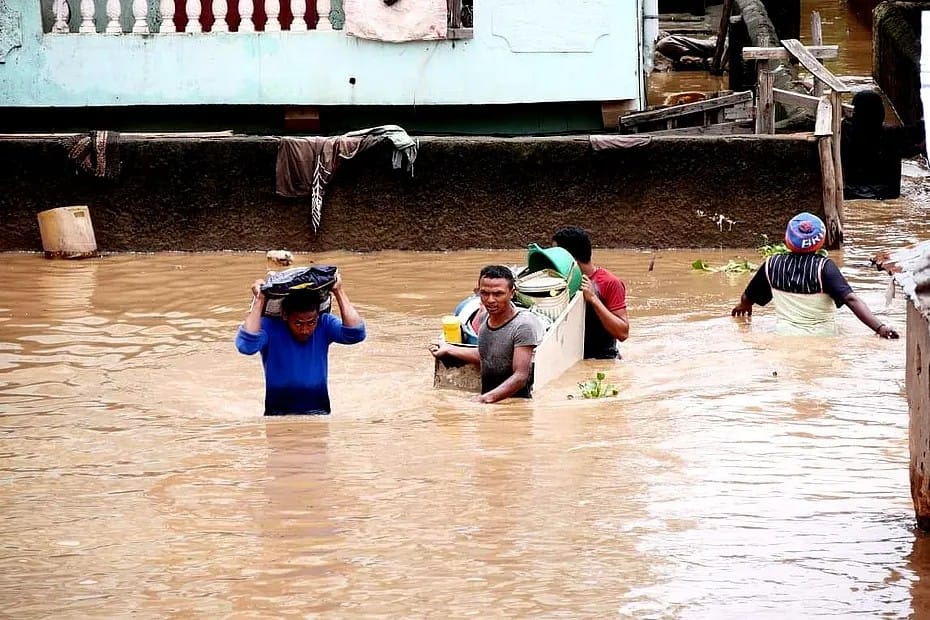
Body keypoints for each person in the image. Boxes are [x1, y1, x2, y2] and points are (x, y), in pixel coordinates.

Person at [731, 212, 899, 339]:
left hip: (784, 336)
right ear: (820, 241)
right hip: (824, 338)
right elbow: (851, 300)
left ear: (787, 239)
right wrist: (880, 328)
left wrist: (744, 306)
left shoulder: (772, 264)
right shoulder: (824, 267)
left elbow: (748, 296)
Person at [235, 272, 366, 415]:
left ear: (317, 316)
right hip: (277, 416)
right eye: (298, 323)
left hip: (319, 414)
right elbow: (246, 346)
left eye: (311, 322)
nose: (305, 330)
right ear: (285, 315)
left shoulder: (324, 324)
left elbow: (356, 333)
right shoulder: (270, 327)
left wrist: (338, 291)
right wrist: (260, 299)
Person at [429, 265, 544, 403]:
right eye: (484, 293)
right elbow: (487, 355)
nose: (490, 300)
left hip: (513, 404)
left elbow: (520, 377)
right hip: (489, 402)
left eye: (498, 294)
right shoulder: (484, 318)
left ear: (512, 293)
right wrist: (449, 349)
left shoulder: (523, 325)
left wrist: (484, 399)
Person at [552, 226, 630, 359]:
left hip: (602, 359)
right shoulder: (557, 281)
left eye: (556, 255)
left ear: (570, 258)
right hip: (568, 359)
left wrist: (593, 298)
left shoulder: (609, 282)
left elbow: (623, 333)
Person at [841, 89, 925, 200]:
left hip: (852, 193)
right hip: (885, 194)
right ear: (880, 111)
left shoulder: (845, 131)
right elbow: (914, 140)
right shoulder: (892, 135)